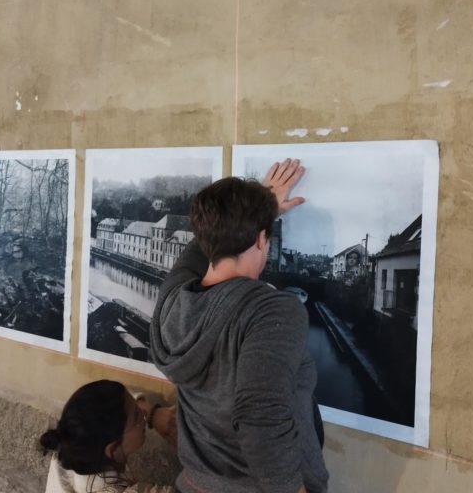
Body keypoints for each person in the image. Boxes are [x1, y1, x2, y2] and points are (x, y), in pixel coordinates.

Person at [150, 159, 329, 493]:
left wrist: (257, 211)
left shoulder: (174, 300)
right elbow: (261, 417)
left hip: (193, 484)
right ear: (261, 240)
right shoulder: (272, 310)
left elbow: (197, 252)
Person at [40, 379, 177, 493]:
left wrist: (151, 412)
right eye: (137, 416)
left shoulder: (73, 446)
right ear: (113, 450)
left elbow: (106, 402)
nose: (143, 415)